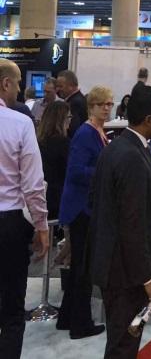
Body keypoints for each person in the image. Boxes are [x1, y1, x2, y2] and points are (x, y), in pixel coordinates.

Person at [89, 84, 151, 359]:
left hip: (117, 268)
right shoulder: (131, 156)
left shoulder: (119, 147)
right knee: (123, 346)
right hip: (125, 274)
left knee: (121, 342)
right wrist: (148, 278)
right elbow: (132, 225)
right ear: (148, 119)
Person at [0, 59, 49, 359]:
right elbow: (33, 184)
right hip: (9, 224)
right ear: (5, 83)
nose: (19, 89)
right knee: (12, 310)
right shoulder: (19, 123)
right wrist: (42, 226)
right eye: (17, 82)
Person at [57, 85, 114, 339]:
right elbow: (76, 171)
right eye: (102, 104)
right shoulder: (85, 134)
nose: (107, 108)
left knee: (80, 266)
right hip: (81, 208)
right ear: (92, 106)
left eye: (109, 104)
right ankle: (80, 324)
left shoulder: (99, 132)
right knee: (83, 268)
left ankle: (67, 318)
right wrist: (104, 172)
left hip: (86, 206)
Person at [36, 101, 70, 222]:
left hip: (41, 197)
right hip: (59, 198)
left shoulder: (38, 142)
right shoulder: (64, 144)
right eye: (69, 117)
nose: (70, 121)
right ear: (62, 119)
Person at [56, 69, 87, 137]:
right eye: (57, 86)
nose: (57, 89)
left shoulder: (74, 103)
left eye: (60, 86)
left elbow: (72, 130)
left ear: (71, 86)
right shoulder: (80, 99)